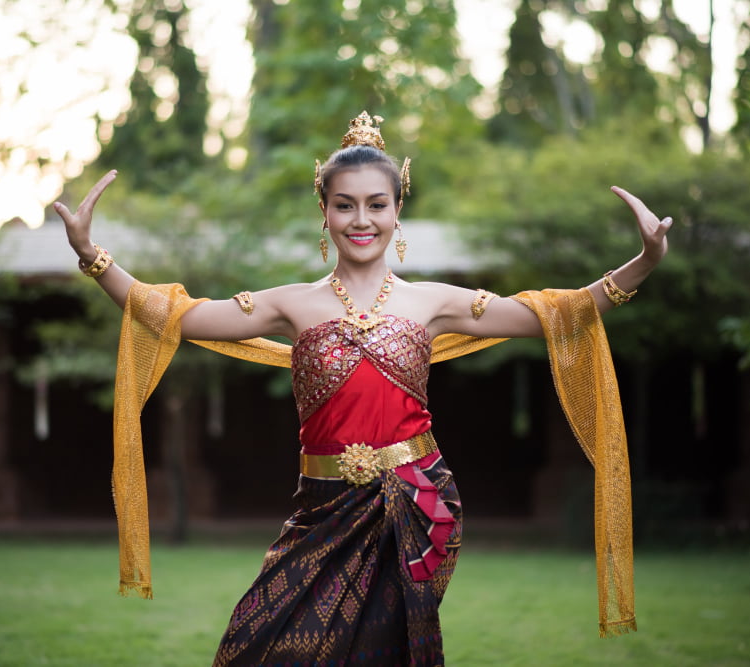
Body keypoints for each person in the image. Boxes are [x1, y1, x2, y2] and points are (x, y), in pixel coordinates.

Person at [54, 111, 672, 666]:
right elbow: (179, 319)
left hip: (417, 501)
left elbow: (551, 314)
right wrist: (92, 256)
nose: (361, 219)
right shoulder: (291, 304)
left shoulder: (433, 302)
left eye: (377, 204)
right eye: (345, 205)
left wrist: (642, 261)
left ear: (397, 209)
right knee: (252, 647)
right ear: (323, 209)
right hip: (320, 508)